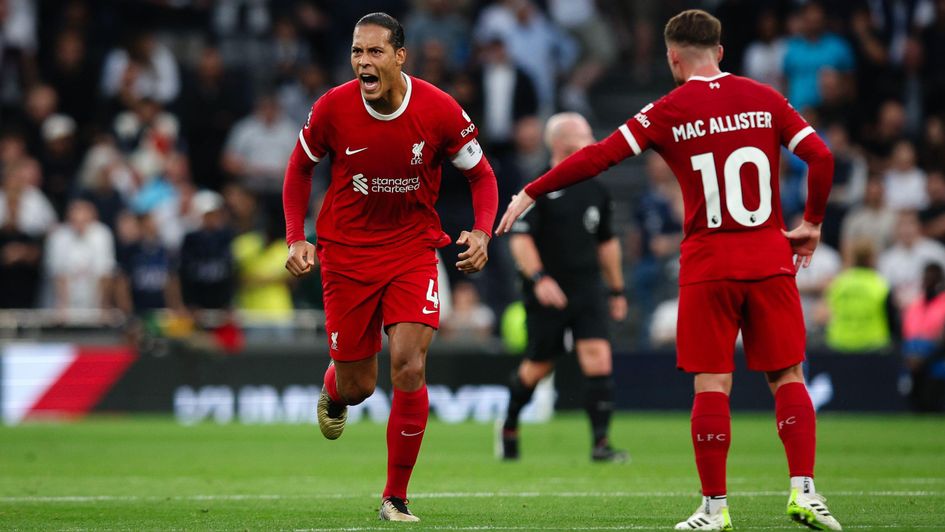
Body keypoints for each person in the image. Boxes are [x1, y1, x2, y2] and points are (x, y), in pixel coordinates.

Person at [496, 10, 841, 531]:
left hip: (709, 263)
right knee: (787, 375)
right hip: (769, 258)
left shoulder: (667, 110)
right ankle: (805, 492)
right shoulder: (766, 98)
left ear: (672, 58)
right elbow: (821, 157)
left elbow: (598, 157)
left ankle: (715, 509)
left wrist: (531, 190)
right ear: (720, 51)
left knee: (712, 382)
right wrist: (811, 222)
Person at [281, 13, 498, 522]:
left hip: (411, 251)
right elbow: (299, 168)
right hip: (346, 255)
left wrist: (483, 232)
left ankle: (395, 498)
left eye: (374, 52)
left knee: (409, 365)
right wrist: (296, 237)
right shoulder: (332, 107)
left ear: (400, 57)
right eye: (357, 52)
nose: (363, 62)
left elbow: (483, 176)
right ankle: (335, 389)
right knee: (359, 386)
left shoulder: (439, 109)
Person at [499, 112, 628, 463]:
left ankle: (601, 443)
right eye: (585, 136)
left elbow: (607, 243)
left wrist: (617, 290)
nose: (593, 142)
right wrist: (539, 278)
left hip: (587, 288)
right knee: (538, 366)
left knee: (597, 356)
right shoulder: (537, 186)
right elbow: (520, 240)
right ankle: (509, 426)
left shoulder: (596, 189)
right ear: (564, 143)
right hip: (548, 292)